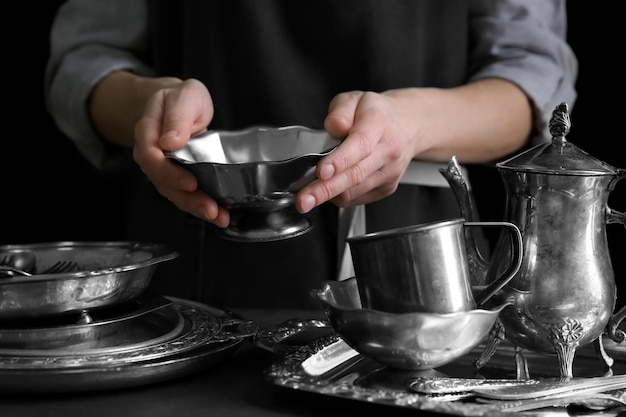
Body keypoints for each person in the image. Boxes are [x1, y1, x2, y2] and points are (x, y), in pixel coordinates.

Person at [45, 0, 577, 309]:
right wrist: (149, 108)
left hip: (422, 267)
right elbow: (83, 61)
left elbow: (531, 80)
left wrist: (412, 125)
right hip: (195, 273)